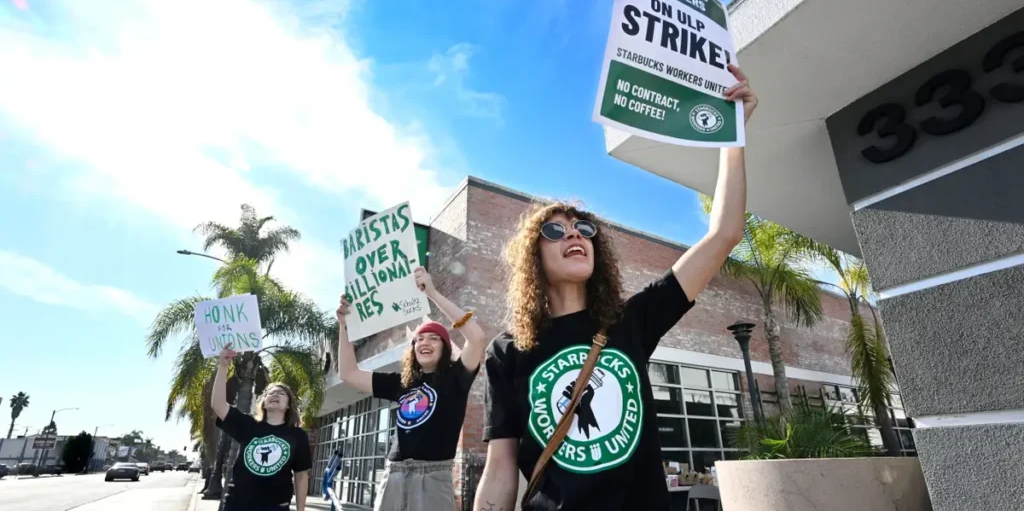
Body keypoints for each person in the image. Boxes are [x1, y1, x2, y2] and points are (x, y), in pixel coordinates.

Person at [472, 65, 758, 511]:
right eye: (555, 231)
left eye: (583, 228)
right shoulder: (507, 351)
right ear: (533, 260)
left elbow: (724, 235)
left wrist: (731, 140)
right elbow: (501, 466)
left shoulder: (632, 321)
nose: (575, 235)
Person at [336, 267, 488, 511]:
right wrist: (344, 326)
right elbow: (348, 373)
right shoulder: (402, 382)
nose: (424, 342)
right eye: (418, 340)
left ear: (445, 347)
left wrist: (433, 293)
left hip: (433, 479)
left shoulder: (456, 377)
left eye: (433, 338)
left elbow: (477, 338)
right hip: (393, 476)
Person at [212, 345, 312, 511]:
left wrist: (300, 510)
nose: (274, 395)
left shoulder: (297, 435)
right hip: (237, 505)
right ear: (263, 403)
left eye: (281, 393)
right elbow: (218, 405)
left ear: (288, 405)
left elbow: (301, 475)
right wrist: (223, 367)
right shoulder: (248, 425)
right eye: (270, 393)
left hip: (275, 507)